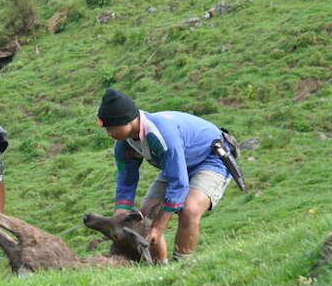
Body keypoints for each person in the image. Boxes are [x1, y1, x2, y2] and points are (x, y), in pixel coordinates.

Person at [97, 88, 232, 265]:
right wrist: (119, 217)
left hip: (209, 160)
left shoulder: (161, 135)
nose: (109, 133)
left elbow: (179, 184)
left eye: (112, 128)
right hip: (176, 165)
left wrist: (159, 227)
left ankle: (182, 265)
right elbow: (126, 182)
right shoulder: (123, 145)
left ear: (128, 121)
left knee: (188, 209)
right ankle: (160, 267)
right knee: (142, 220)